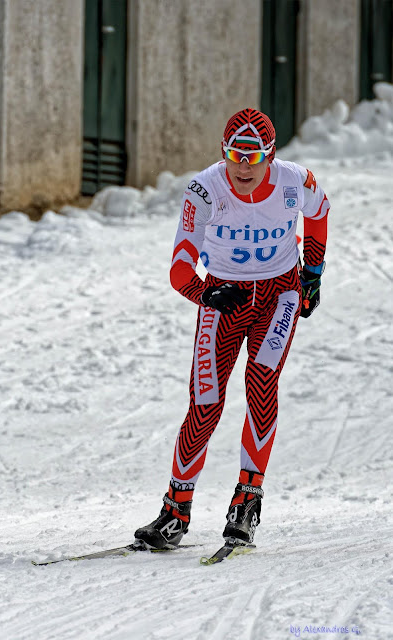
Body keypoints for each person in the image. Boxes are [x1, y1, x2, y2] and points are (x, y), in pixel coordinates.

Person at [135, 108, 330, 549]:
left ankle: (247, 501)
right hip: (225, 299)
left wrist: (313, 274)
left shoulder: (294, 180)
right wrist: (205, 294)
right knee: (205, 402)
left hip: (279, 295)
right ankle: (175, 510)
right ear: (223, 154)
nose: (243, 166)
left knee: (261, 382)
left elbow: (319, 213)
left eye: (253, 156)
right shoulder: (205, 189)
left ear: (271, 155)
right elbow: (179, 267)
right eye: (233, 155)